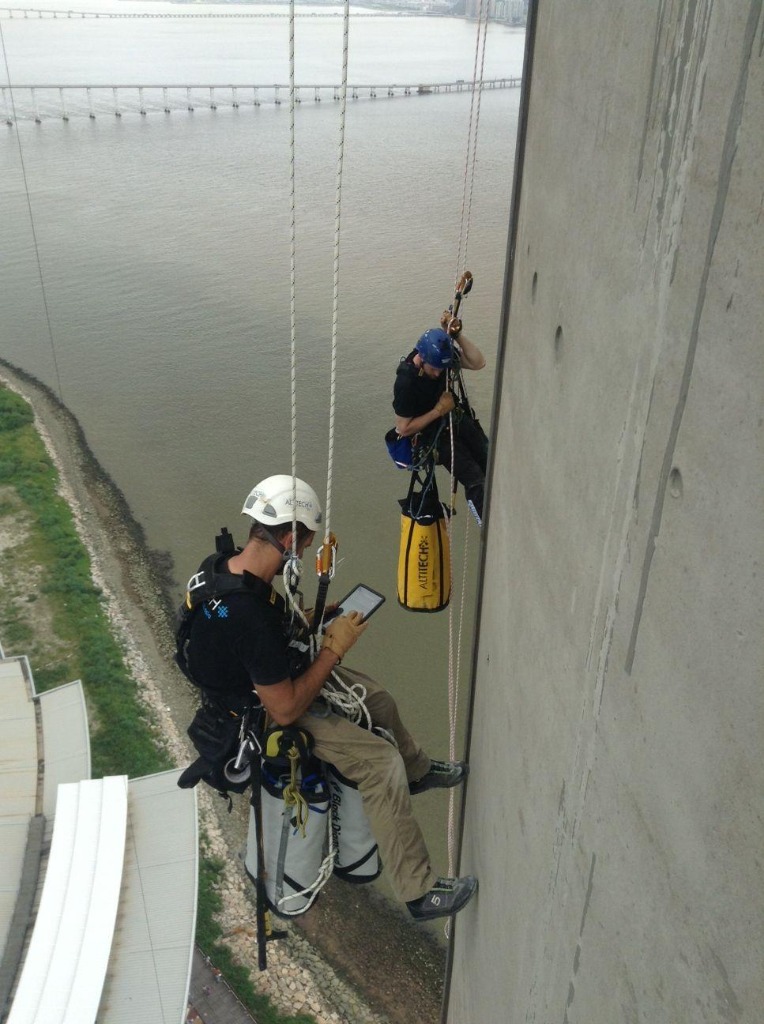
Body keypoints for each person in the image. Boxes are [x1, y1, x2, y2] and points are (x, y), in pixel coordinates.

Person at [184, 474, 477, 922]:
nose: (300, 554)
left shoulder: (223, 566)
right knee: (381, 764)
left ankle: (417, 772)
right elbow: (285, 708)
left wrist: (319, 617)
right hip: (264, 713)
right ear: (286, 538)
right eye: (301, 545)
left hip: (258, 679)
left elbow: (254, 631)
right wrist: (334, 648)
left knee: (376, 700)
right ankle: (419, 892)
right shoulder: (247, 617)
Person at [392, 312, 488, 522]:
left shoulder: (440, 359)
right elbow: (403, 428)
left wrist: (458, 336)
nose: (438, 374)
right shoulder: (406, 383)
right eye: (434, 369)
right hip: (432, 436)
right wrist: (438, 410)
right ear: (422, 358)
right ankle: (487, 524)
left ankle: (500, 503)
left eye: (441, 369)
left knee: (488, 458)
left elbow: (478, 362)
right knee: (475, 479)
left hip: (454, 418)